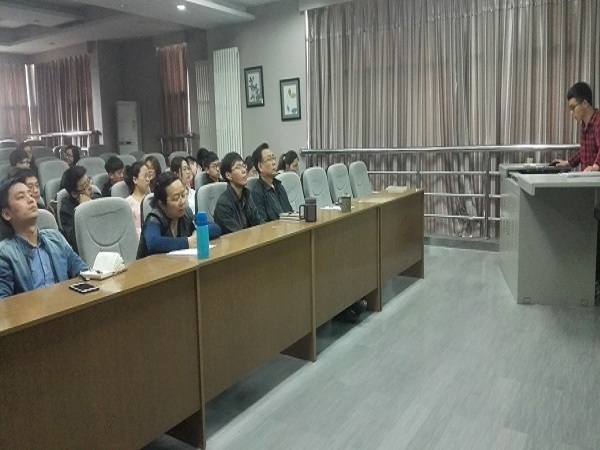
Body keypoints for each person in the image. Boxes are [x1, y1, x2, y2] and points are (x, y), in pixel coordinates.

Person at [0, 177, 88, 299]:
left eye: (30, 194)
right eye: (21, 197)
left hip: (65, 306)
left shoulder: (55, 238)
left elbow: (83, 272)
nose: (31, 199)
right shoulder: (4, 254)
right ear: (6, 214)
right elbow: (4, 303)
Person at [137, 172, 221, 258]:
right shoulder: (154, 218)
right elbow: (154, 243)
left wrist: (198, 233)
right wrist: (187, 242)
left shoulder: (186, 213)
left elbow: (216, 229)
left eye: (183, 195)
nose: (182, 202)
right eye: (176, 198)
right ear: (161, 204)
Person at [553, 82, 600, 171]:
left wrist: (596, 166)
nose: (571, 112)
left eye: (573, 107)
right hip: (587, 177)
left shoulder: (598, 122)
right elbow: (584, 150)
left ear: (585, 103)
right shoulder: (584, 125)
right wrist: (568, 162)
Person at [213, 152, 264, 234]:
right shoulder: (223, 204)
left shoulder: (246, 195)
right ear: (228, 175)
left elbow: (259, 222)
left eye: (244, 166)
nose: (244, 170)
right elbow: (237, 235)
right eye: (238, 167)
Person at [60, 166, 98, 254]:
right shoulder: (66, 211)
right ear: (74, 194)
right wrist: (81, 210)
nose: (90, 187)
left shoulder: (97, 198)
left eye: (89, 181)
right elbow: (74, 241)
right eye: (85, 186)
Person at [251, 143, 293, 222]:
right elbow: (262, 224)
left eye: (273, 158)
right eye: (269, 159)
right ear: (260, 167)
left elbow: (290, 213)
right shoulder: (257, 193)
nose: (274, 162)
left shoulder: (279, 186)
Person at [124, 161, 150, 238]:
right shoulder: (127, 204)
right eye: (145, 176)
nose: (148, 179)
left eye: (149, 176)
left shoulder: (152, 198)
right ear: (135, 179)